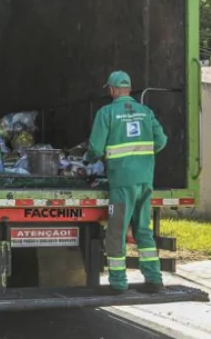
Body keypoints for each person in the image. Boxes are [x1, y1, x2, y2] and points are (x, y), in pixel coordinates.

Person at [86, 70, 167, 294]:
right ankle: (154, 280)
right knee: (143, 229)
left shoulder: (107, 113)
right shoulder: (146, 112)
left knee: (117, 231)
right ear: (129, 89)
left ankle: (119, 283)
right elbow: (161, 140)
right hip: (145, 180)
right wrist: (143, 158)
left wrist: (88, 160)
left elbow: (94, 147)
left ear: (112, 89)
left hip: (122, 183)